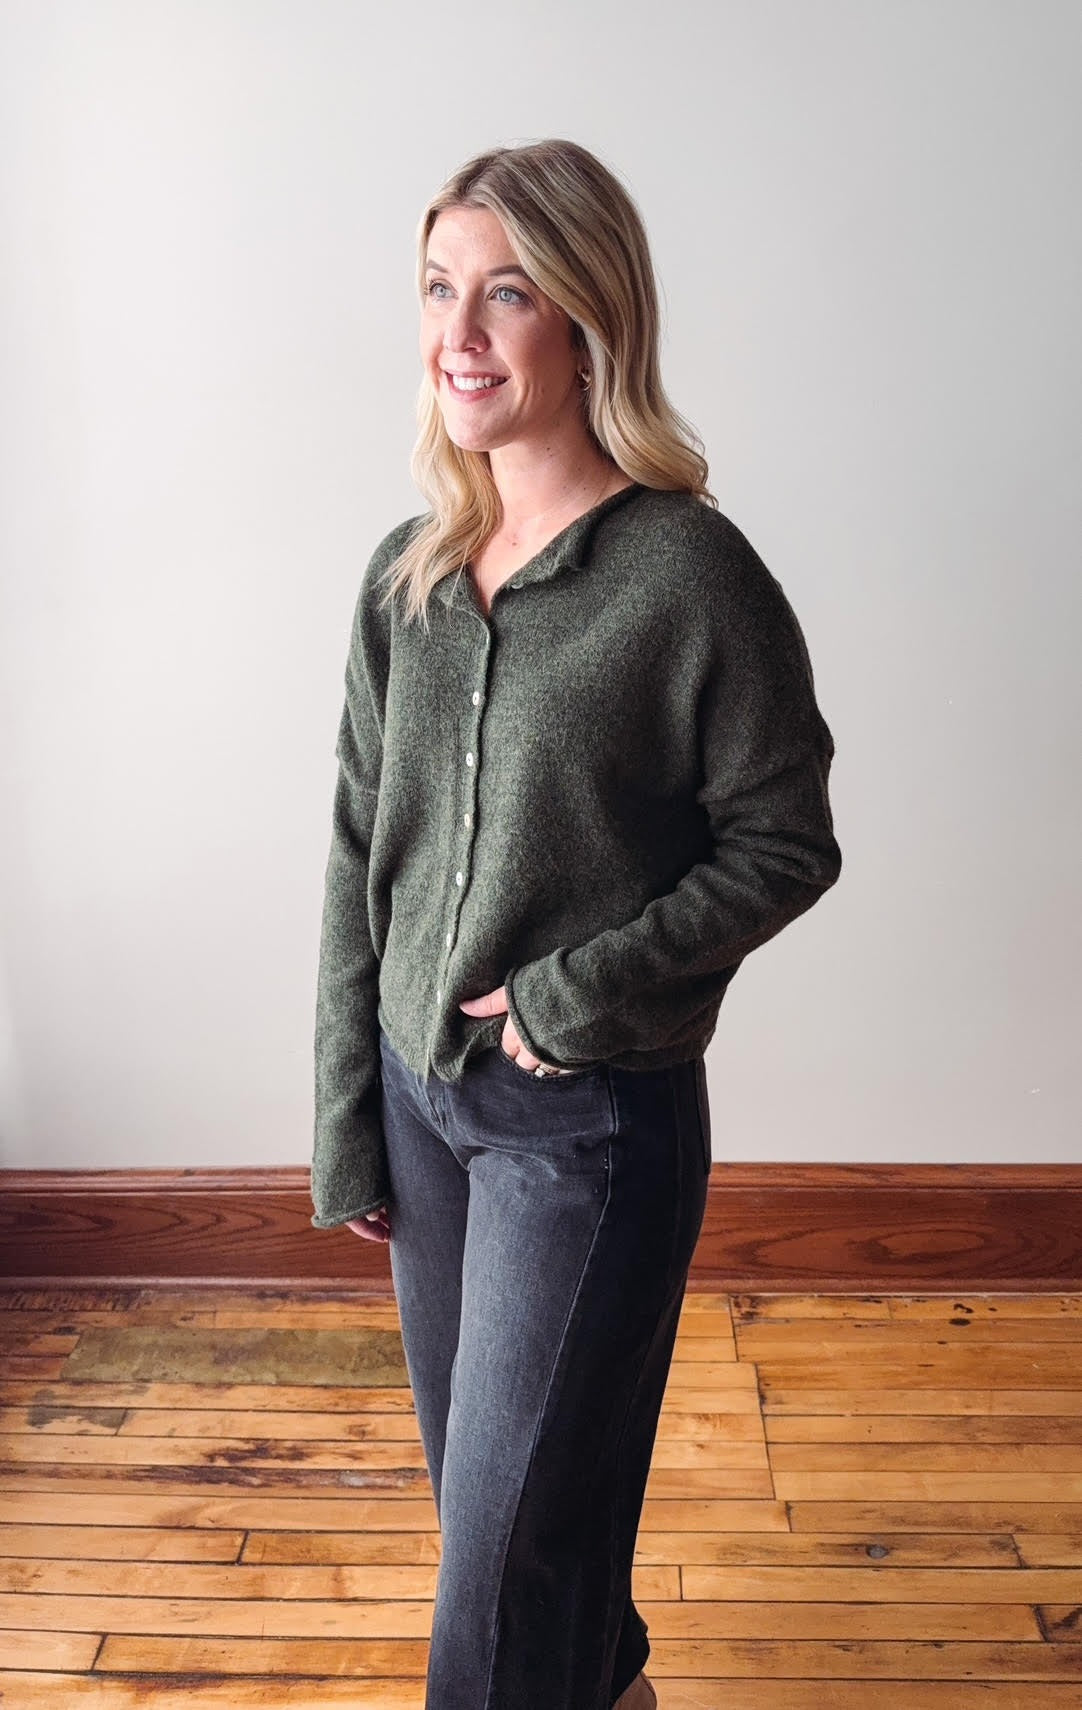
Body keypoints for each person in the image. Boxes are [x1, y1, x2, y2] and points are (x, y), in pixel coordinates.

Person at [310, 138, 842, 1710]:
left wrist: (565, 995)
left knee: (496, 1556)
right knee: (514, 1521)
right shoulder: (402, 579)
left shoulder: (688, 575)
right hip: (421, 1112)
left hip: (583, 1123)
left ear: (588, 321)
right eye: (436, 287)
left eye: (507, 292)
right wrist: (348, 1114)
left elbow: (783, 840)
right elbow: (357, 861)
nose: (456, 331)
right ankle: (603, 1684)